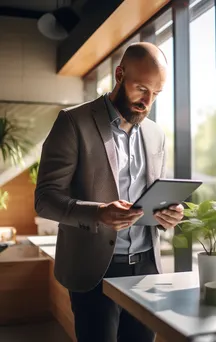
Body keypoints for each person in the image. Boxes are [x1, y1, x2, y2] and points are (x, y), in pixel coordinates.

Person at [35, 42, 184, 342]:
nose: (147, 101)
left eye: (156, 94)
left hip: (146, 270)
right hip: (93, 272)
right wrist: (98, 213)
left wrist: (170, 213)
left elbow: (155, 194)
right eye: (141, 88)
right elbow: (45, 200)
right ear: (119, 74)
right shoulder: (73, 122)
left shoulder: (156, 134)